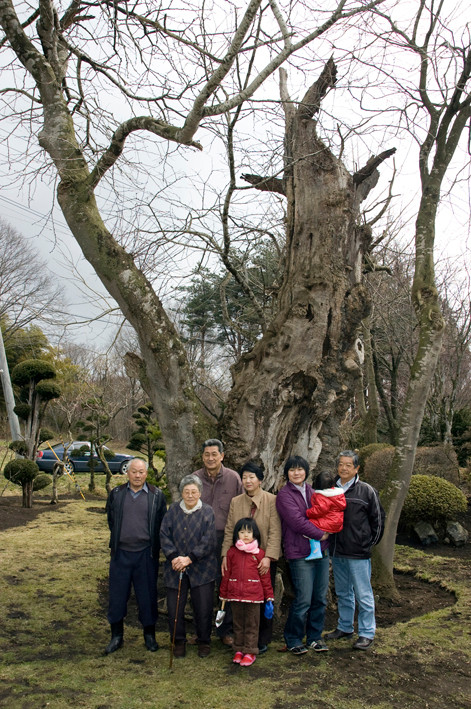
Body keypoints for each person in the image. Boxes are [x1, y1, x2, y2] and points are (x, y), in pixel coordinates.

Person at [104, 458, 167, 655]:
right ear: (127, 473)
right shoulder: (116, 494)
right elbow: (111, 520)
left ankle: (149, 635)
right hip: (121, 553)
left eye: (141, 472)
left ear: (146, 474)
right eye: (134, 472)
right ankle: (116, 636)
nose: (137, 475)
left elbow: (161, 523)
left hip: (146, 554)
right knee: (117, 596)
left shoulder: (157, 496)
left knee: (147, 596)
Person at [325, 450, 385, 650]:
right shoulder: (331, 488)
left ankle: (367, 632)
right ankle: (345, 626)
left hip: (358, 552)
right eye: (341, 464)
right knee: (343, 592)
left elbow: (378, 520)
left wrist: (367, 544)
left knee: (363, 593)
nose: (343, 468)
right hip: (337, 550)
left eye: (348, 465)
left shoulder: (367, 491)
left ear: (356, 468)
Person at [221, 461, 281, 654]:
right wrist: (225, 555)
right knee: (238, 600)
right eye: (244, 477)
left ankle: (261, 639)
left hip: (262, 561)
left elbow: (275, 531)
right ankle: (239, 640)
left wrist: (269, 557)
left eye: (251, 477)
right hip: (238, 560)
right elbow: (230, 529)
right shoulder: (236, 501)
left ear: (260, 480)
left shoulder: (271, 500)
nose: (248, 481)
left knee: (263, 600)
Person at [275, 455, 330, 655]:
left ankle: (315, 637)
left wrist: (328, 531)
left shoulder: (313, 492)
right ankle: (293, 638)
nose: (296, 473)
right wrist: (321, 533)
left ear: (306, 471)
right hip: (299, 553)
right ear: (287, 473)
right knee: (303, 599)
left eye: (300, 469)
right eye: (292, 470)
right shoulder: (284, 496)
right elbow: (296, 522)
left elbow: (326, 514)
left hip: (321, 551)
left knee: (320, 597)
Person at [160, 474, 217, 658]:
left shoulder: (207, 512)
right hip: (175, 567)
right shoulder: (173, 510)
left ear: (200, 493)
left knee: (203, 607)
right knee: (174, 607)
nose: (190, 495)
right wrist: (175, 557)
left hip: (202, 567)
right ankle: (178, 641)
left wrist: (189, 558)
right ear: (181, 493)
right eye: (186, 492)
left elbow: (209, 541)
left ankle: (204, 641)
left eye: (194, 492)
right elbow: (164, 535)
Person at [193, 438, 242, 645]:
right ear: (202, 456)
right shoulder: (194, 478)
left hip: (225, 538)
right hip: (199, 539)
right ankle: (201, 631)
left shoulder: (233, 478)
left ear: (222, 456)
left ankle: (225, 631)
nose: (210, 458)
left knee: (226, 586)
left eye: (215, 454)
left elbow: (240, 509)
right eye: (207, 454)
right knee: (200, 586)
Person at [219, 518, 274, 667]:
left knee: (251, 624)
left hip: (253, 597)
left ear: (255, 534)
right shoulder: (231, 552)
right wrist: (223, 593)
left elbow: (265, 577)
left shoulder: (259, 554)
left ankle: (250, 651)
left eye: (249, 532)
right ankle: (238, 649)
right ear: (237, 534)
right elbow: (226, 574)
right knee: (238, 624)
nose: (245, 535)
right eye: (242, 532)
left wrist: (269, 596)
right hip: (235, 595)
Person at [305, 471, 346, 560]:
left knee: (309, 526)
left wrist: (308, 512)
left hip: (328, 522)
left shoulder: (322, 496)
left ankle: (315, 551)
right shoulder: (338, 494)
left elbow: (320, 509)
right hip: (337, 522)